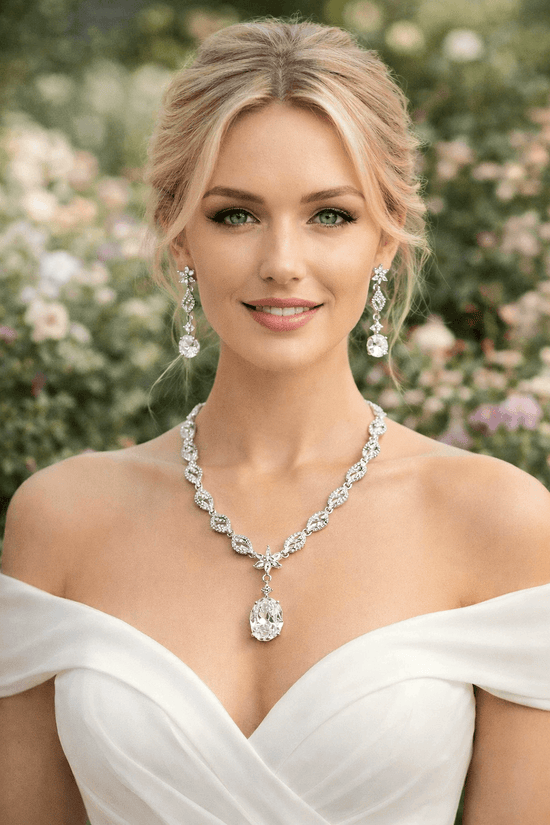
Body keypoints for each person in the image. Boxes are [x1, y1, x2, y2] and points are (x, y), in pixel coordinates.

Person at [1, 18, 550, 825]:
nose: (283, 261)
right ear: (177, 231)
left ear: (387, 238)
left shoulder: (498, 521)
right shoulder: (60, 521)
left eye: (330, 215)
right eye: (235, 215)